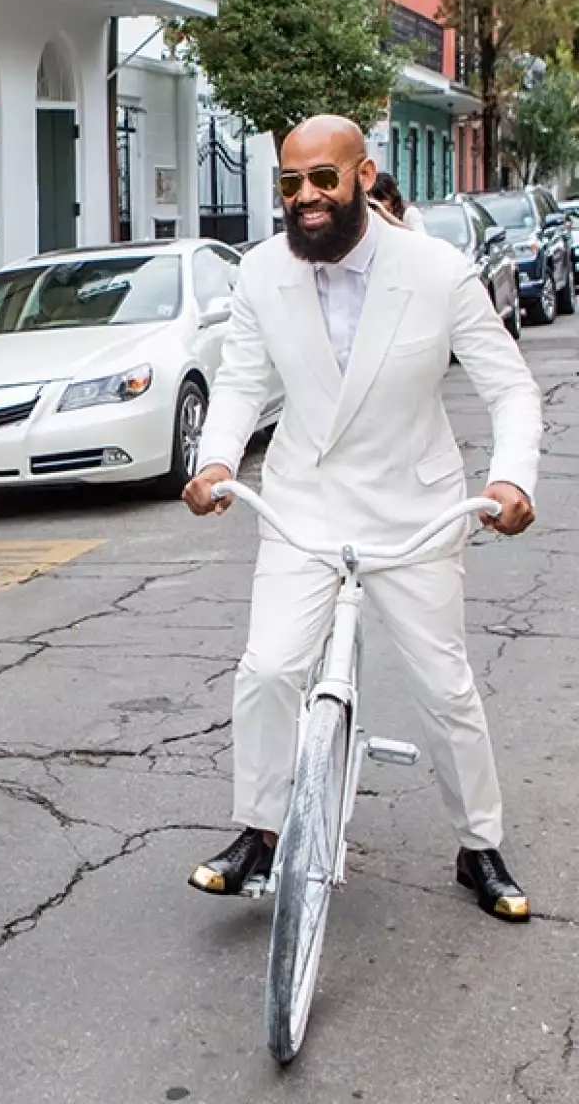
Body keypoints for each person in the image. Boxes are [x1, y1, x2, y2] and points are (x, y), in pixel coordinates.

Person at [182, 115, 542, 922]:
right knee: (269, 669)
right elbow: (241, 382)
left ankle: (478, 845)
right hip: (303, 504)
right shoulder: (262, 272)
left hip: (412, 508)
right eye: (289, 182)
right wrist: (214, 459)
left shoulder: (438, 270)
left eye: (322, 179)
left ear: (364, 175)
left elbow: (512, 388)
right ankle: (263, 833)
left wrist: (511, 478)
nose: (305, 197)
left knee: (444, 687)